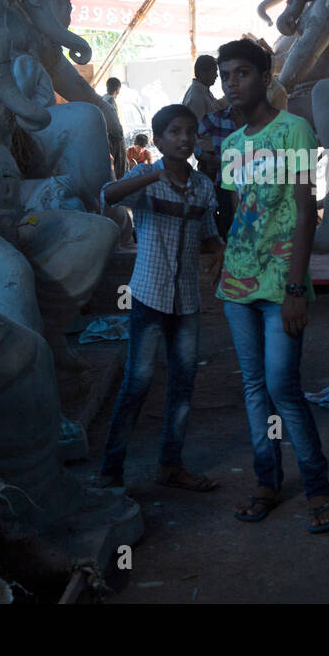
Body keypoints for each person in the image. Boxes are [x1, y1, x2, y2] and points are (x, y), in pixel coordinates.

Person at [214, 37, 329, 534]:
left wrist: (295, 289)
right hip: (237, 286)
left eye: (241, 74)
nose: (231, 84)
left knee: (282, 388)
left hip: (280, 284)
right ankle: (266, 482)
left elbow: (304, 213)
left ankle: (318, 488)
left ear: (265, 77)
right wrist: (222, 261)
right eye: (226, 76)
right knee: (252, 389)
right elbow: (237, 215)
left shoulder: (294, 131)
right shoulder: (230, 145)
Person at [97, 104, 225, 492]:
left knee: (183, 384)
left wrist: (218, 249)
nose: (184, 139)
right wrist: (152, 173)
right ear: (158, 140)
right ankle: (110, 471)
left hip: (187, 301)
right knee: (137, 382)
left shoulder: (202, 186)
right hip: (149, 296)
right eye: (174, 132)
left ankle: (170, 465)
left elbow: (207, 233)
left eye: (190, 132)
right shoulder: (144, 178)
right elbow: (107, 196)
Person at [196, 102, 243, 238]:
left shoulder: (261, 121)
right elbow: (190, 137)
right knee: (228, 227)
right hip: (225, 183)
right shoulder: (217, 119)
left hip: (257, 184)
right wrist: (205, 156)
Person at [182, 55, 221, 122]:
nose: (217, 75)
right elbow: (199, 128)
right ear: (202, 72)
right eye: (214, 71)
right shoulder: (196, 97)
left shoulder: (203, 90)